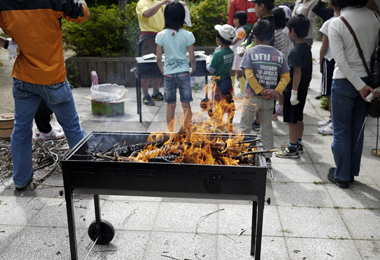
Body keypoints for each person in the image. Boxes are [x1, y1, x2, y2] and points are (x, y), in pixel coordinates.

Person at [0, 0, 89, 191]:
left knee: (21, 130)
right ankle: (85, 177)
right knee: (72, 128)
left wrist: (7, 44)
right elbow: (83, 14)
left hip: (23, 78)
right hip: (53, 78)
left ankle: (21, 180)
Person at [327, 0, 378, 189]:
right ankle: (350, 173)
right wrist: (365, 85)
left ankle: (341, 175)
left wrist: (358, 85)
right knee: (357, 132)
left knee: (341, 131)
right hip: (368, 83)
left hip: (344, 82)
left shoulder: (337, 23)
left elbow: (340, 61)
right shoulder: (374, 17)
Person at [240, 20, 290, 168]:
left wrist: (258, 90)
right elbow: (286, 76)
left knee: (245, 127)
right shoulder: (279, 55)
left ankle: (243, 154)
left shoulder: (250, 52)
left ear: (254, 37)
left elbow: (248, 74)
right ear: (273, 36)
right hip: (269, 100)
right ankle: (267, 159)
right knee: (267, 127)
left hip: (251, 97)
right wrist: (276, 90)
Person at [275, 14, 312, 159]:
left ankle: (292, 148)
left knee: (291, 121)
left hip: (294, 92)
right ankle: (298, 143)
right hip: (302, 90)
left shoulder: (295, 51)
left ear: (293, 32)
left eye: (288, 30)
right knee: (299, 118)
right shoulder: (306, 47)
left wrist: (293, 93)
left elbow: (297, 72)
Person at [156, 1, 196, 132]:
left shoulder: (160, 35)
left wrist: (163, 70)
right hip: (184, 72)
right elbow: (191, 57)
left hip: (168, 74)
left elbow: (158, 58)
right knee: (186, 104)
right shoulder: (188, 35)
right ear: (182, 16)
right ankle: (187, 130)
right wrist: (193, 68)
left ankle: (171, 133)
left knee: (170, 105)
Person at [136, 0, 170, 106]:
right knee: (146, 66)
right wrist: (161, 3)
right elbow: (146, 14)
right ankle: (145, 94)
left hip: (161, 35)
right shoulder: (142, 2)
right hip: (148, 37)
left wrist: (178, 4)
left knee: (159, 64)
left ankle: (156, 92)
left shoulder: (158, 2)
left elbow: (169, 12)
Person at [206, 24, 236, 131]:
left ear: (218, 40)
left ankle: (218, 126)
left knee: (217, 104)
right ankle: (229, 123)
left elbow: (211, 70)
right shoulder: (231, 52)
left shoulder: (217, 54)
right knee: (228, 101)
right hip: (228, 80)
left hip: (218, 82)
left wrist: (208, 61)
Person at [317, 0, 340, 136]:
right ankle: (333, 119)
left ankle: (333, 120)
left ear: (331, 5)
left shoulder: (329, 23)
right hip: (342, 61)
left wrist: (320, 63)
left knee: (329, 92)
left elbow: (323, 48)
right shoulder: (347, 21)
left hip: (330, 60)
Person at [230, 11, 248, 99]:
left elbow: (233, 42)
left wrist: (225, 42)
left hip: (238, 55)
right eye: (234, 19)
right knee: (234, 72)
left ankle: (241, 91)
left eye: (236, 19)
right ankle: (233, 91)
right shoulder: (236, 30)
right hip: (235, 54)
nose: (234, 21)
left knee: (238, 73)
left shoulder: (241, 31)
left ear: (241, 20)